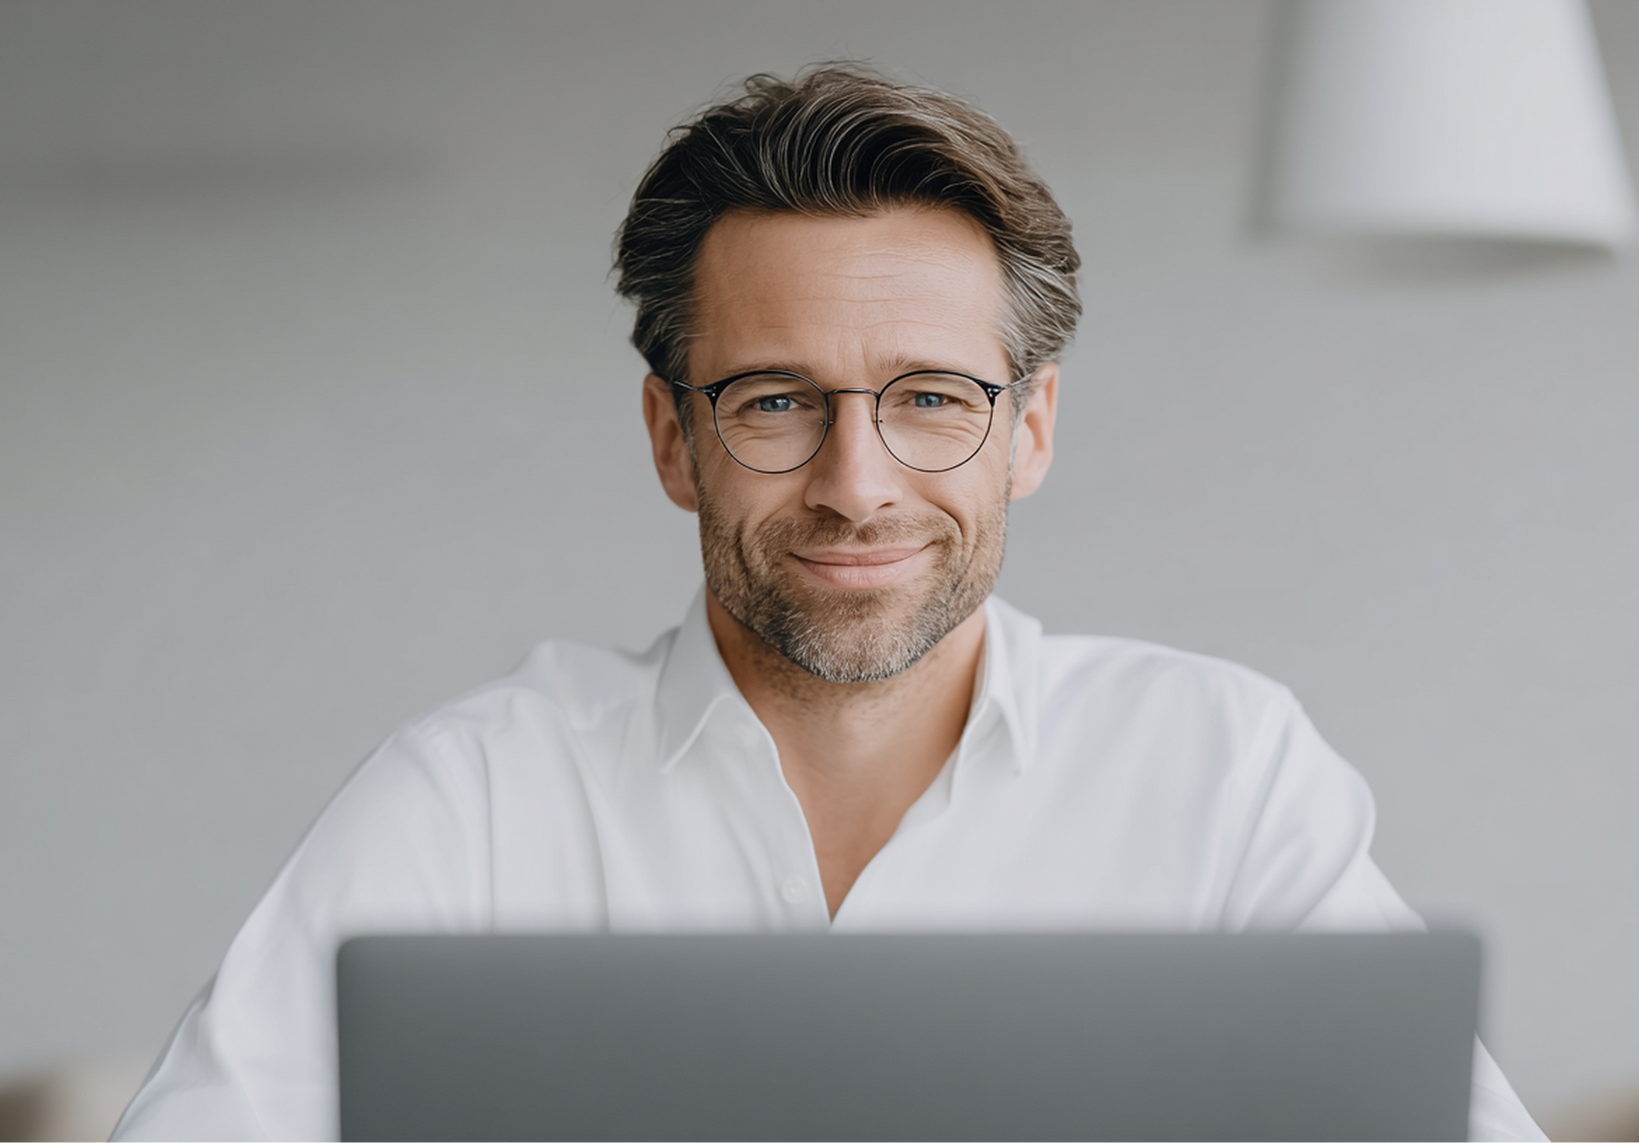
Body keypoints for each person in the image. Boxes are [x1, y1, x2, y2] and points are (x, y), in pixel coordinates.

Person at [110, 66, 1548, 1143]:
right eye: (776, 399)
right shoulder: (476, 794)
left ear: (1030, 429)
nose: (856, 484)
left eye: (931, 398)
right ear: (674, 436)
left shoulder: (1221, 770)